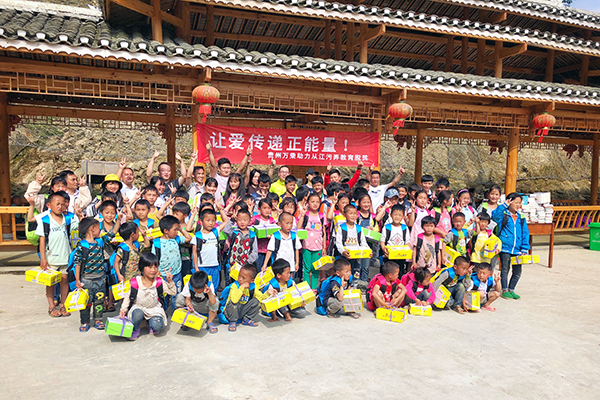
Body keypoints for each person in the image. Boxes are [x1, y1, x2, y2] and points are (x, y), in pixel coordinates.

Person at [35, 192, 79, 317]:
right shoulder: (45, 221)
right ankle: (51, 306)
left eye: (63, 204)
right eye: (57, 204)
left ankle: (63, 305)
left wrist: (79, 216)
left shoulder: (68, 219)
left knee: (64, 281)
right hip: (51, 258)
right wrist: (43, 259)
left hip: (65, 256)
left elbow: (76, 231)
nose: (60, 206)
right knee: (51, 283)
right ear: (49, 205)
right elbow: (42, 241)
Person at [73, 217, 116, 332]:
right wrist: (78, 280)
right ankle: (85, 321)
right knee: (86, 302)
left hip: (100, 279)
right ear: (92, 229)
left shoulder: (100, 242)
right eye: (98, 228)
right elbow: (77, 263)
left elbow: (112, 234)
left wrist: (119, 220)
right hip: (86, 280)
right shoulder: (82, 245)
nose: (100, 230)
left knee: (99, 301)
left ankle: (98, 320)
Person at [119, 252, 176, 340]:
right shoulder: (135, 282)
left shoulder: (159, 281)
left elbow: (173, 292)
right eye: (149, 267)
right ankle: (135, 329)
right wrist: (123, 309)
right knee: (137, 315)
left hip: (154, 308)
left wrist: (170, 282)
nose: (153, 270)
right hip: (139, 307)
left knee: (157, 326)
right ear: (142, 268)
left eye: (155, 267)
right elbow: (128, 297)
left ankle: (150, 323)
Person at [492, 193, 530, 300]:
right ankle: (504, 289)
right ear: (509, 202)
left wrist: (524, 247)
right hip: (505, 248)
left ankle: (512, 289)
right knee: (505, 269)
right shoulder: (503, 215)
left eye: (519, 203)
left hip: (518, 250)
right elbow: (494, 216)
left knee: (517, 271)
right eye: (516, 202)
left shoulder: (521, 218)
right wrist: (504, 205)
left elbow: (525, 233)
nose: (518, 205)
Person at [152, 215, 192, 309]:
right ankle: (164, 310)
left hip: (176, 273)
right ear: (166, 230)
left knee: (177, 293)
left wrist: (181, 229)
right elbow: (154, 259)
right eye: (175, 229)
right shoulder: (157, 243)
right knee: (163, 294)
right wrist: (156, 271)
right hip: (162, 274)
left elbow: (189, 237)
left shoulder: (176, 239)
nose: (176, 231)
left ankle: (177, 310)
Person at [192, 208, 230, 290]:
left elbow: (226, 221)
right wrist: (196, 268)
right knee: (203, 287)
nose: (211, 223)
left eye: (213, 220)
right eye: (208, 220)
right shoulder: (197, 236)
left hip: (214, 266)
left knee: (214, 287)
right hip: (202, 266)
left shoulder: (215, 232)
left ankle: (213, 297)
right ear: (201, 221)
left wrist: (220, 209)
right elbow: (194, 252)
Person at [219, 263, 260, 331]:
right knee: (233, 303)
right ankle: (233, 321)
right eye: (239, 275)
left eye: (243, 278)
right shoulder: (235, 285)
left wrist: (268, 293)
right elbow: (234, 300)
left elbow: (261, 297)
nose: (240, 279)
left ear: (252, 280)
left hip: (241, 310)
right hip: (229, 312)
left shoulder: (253, 286)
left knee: (256, 301)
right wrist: (242, 287)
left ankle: (246, 319)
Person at [299, 193, 327, 289]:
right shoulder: (305, 215)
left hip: (318, 247)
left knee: (316, 269)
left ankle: (314, 288)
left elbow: (323, 232)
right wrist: (302, 215)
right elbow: (298, 228)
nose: (315, 204)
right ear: (307, 203)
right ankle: (306, 289)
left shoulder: (321, 216)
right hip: (306, 246)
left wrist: (324, 247)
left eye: (317, 202)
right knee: (307, 269)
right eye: (312, 202)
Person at [221, 209, 258, 278]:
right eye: (239, 220)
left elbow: (254, 251)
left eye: (245, 220)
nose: (242, 222)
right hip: (233, 265)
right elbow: (226, 230)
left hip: (246, 266)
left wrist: (248, 262)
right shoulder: (235, 233)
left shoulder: (252, 235)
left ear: (249, 221)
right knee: (232, 281)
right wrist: (232, 220)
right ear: (236, 220)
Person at [335, 204, 368, 280]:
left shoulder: (359, 228)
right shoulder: (342, 228)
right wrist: (343, 252)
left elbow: (363, 242)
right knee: (345, 274)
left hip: (356, 257)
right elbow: (338, 243)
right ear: (344, 215)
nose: (353, 216)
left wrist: (367, 250)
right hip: (345, 256)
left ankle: (354, 285)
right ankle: (344, 285)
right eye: (350, 213)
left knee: (356, 273)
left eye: (355, 213)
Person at [262, 212, 301, 277]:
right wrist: (265, 264)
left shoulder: (294, 236)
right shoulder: (276, 236)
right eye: (287, 223)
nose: (289, 226)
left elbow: (296, 250)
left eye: (291, 223)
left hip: (291, 267)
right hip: (279, 267)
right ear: (280, 224)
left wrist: (297, 263)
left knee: (290, 281)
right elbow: (270, 250)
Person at [380, 204, 410, 276]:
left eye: (400, 215)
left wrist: (408, 250)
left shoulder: (404, 228)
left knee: (399, 274)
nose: (397, 217)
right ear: (391, 215)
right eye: (395, 214)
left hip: (400, 256)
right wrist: (384, 249)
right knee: (387, 274)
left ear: (403, 217)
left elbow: (407, 242)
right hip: (389, 256)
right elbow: (382, 241)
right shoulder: (387, 227)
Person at [251, 199, 277, 269]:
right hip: (258, 249)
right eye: (264, 208)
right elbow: (248, 226)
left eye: (269, 208)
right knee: (258, 268)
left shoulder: (272, 220)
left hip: (269, 250)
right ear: (259, 209)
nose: (267, 210)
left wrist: (272, 236)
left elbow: (276, 231)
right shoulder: (255, 219)